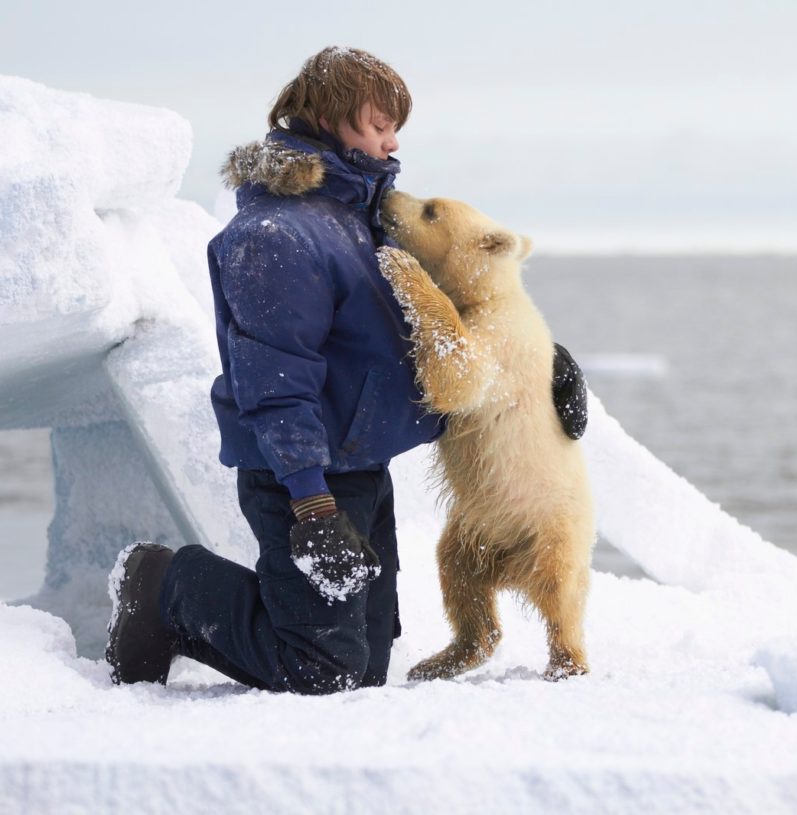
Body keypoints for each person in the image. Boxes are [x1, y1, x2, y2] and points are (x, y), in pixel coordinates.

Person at [105, 46, 587, 694]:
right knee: (320, 668)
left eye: (395, 127)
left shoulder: (360, 214)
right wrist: (311, 504)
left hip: (360, 464)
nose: (390, 142)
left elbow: (449, 306)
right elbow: (276, 382)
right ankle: (165, 584)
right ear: (327, 119)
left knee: (363, 669)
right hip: (300, 475)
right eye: (376, 124)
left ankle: (257, 613)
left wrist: (544, 363)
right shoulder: (276, 235)